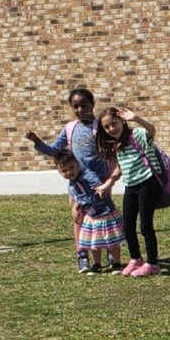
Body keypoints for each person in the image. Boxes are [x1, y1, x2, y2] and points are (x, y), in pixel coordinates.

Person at [25, 86, 113, 273]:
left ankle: (110, 252)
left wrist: (109, 179)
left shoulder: (100, 126)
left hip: (98, 182)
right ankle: (82, 256)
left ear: (93, 104)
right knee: (79, 218)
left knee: (102, 217)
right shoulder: (71, 128)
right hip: (77, 184)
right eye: (76, 106)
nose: (81, 110)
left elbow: (114, 146)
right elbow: (55, 150)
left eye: (85, 105)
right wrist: (37, 142)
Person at [95, 106, 163, 277]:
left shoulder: (137, 135)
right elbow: (120, 168)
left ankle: (153, 263)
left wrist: (136, 118)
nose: (112, 128)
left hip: (148, 182)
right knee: (127, 226)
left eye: (114, 123)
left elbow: (152, 130)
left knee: (145, 225)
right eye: (107, 127)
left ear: (122, 121)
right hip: (131, 185)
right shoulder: (117, 145)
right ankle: (136, 259)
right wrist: (108, 183)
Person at [53, 149, 123, 273]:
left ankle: (116, 263)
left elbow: (96, 186)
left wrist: (100, 190)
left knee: (112, 241)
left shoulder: (87, 175)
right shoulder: (72, 184)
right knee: (93, 242)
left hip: (105, 212)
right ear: (59, 172)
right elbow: (76, 198)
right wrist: (75, 208)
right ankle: (97, 264)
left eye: (72, 167)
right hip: (92, 216)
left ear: (78, 165)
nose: (69, 172)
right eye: (64, 171)